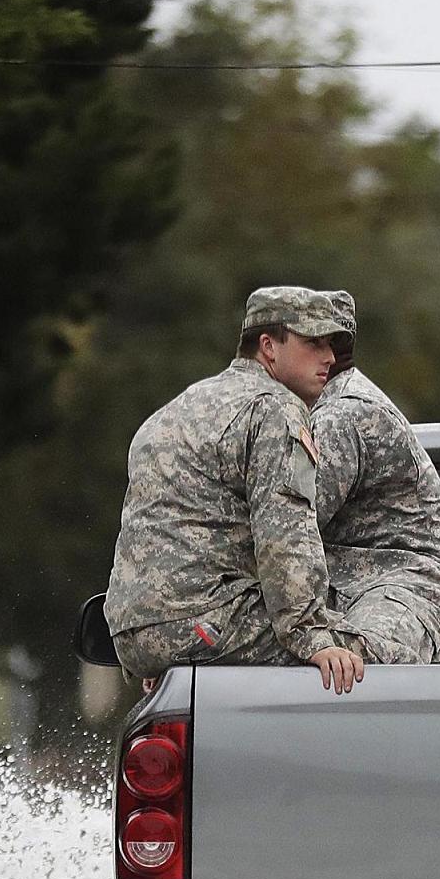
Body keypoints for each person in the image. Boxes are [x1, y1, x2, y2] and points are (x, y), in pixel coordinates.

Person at [104, 286, 367, 694]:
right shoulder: (273, 408)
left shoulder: (178, 408)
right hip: (203, 623)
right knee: (363, 641)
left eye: (332, 344)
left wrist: (170, 650)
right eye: (313, 342)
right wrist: (312, 637)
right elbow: (285, 536)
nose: (330, 357)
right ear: (268, 346)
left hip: (133, 637)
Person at [313, 324, 440, 663]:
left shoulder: (341, 415)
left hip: (404, 584)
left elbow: (287, 526)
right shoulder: (327, 407)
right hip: (355, 585)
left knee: (355, 669)